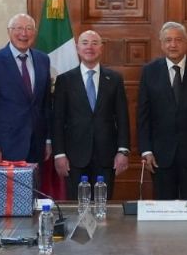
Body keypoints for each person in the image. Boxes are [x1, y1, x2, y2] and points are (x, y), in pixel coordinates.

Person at [137, 21, 187, 199]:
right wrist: (146, 150)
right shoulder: (149, 71)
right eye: (168, 40)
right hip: (160, 156)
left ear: (186, 43)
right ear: (161, 43)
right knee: (164, 210)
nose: (173, 44)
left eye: (178, 40)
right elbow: (143, 115)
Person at [53, 30, 130, 198]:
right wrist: (59, 153)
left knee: (103, 207)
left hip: (106, 156)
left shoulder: (114, 79)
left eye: (95, 43)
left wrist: (123, 150)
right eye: (85, 43)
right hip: (74, 157)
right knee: (77, 207)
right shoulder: (65, 80)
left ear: (101, 48)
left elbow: (122, 118)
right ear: (77, 48)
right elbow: (57, 120)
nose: (90, 47)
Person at [0, 13, 52, 165]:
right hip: (5, 145)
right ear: (9, 31)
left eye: (29, 28)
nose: (24, 34)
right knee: (9, 190)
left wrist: (48, 139)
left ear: (34, 33)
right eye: (18, 28)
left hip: (36, 145)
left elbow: (46, 105)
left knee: (34, 188)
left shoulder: (43, 59)